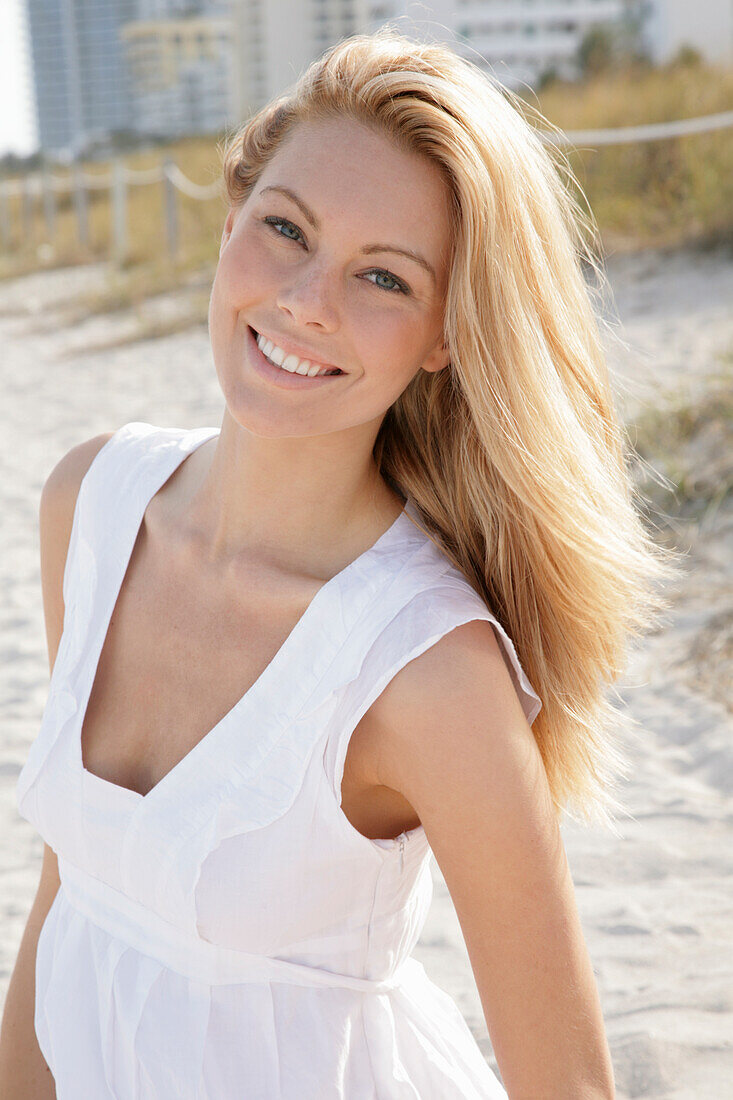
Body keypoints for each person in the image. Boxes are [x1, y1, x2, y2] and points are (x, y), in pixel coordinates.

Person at [0, 27, 678, 1100]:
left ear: (444, 334)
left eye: (382, 276)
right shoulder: (90, 504)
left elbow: (570, 1085)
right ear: (230, 222)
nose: (308, 300)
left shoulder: (428, 670)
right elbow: (68, 892)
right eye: (285, 228)